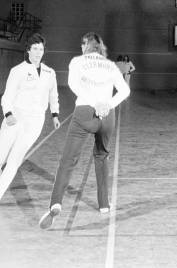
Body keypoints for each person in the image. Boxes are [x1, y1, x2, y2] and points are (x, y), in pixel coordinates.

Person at [39, 32, 130, 229]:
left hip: (84, 114)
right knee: (101, 156)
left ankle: (55, 203)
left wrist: (94, 103)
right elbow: (125, 90)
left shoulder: (77, 61)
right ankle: (104, 205)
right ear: (100, 47)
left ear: (85, 46)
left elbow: (73, 84)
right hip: (108, 117)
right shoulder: (111, 65)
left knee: (68, 161)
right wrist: (107, 105)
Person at [0, 33, 61, 212]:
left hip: (35, 121)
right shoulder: (17, 71)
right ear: (28, 50)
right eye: (35, 48)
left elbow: (53, 95)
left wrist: (55, 115)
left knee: (14, 160)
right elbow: (7, 96)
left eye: (41, 49)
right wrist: (8, 114)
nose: (38, 52)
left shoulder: (50, 73)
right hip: (15, 117)